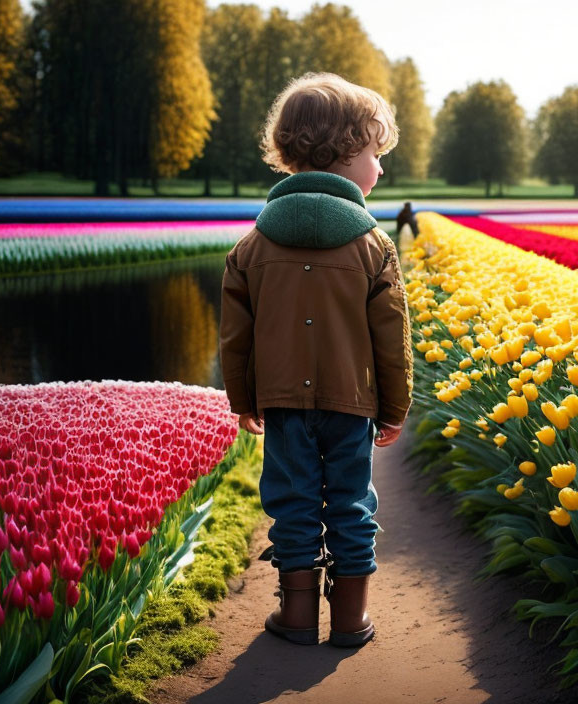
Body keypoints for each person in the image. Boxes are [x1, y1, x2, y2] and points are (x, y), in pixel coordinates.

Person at [219, 73, 412, 648]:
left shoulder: (253, 245)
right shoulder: (374, 244)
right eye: (375, 154)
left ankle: (298, 617)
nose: (379, 168)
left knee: (293, 501)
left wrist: (243, 399)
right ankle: (351, 620)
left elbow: (236, 336)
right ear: (344, 156)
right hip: (351, 401)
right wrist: (395, 407)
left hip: (279, 400)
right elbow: (392, 339)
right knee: (351, 502)